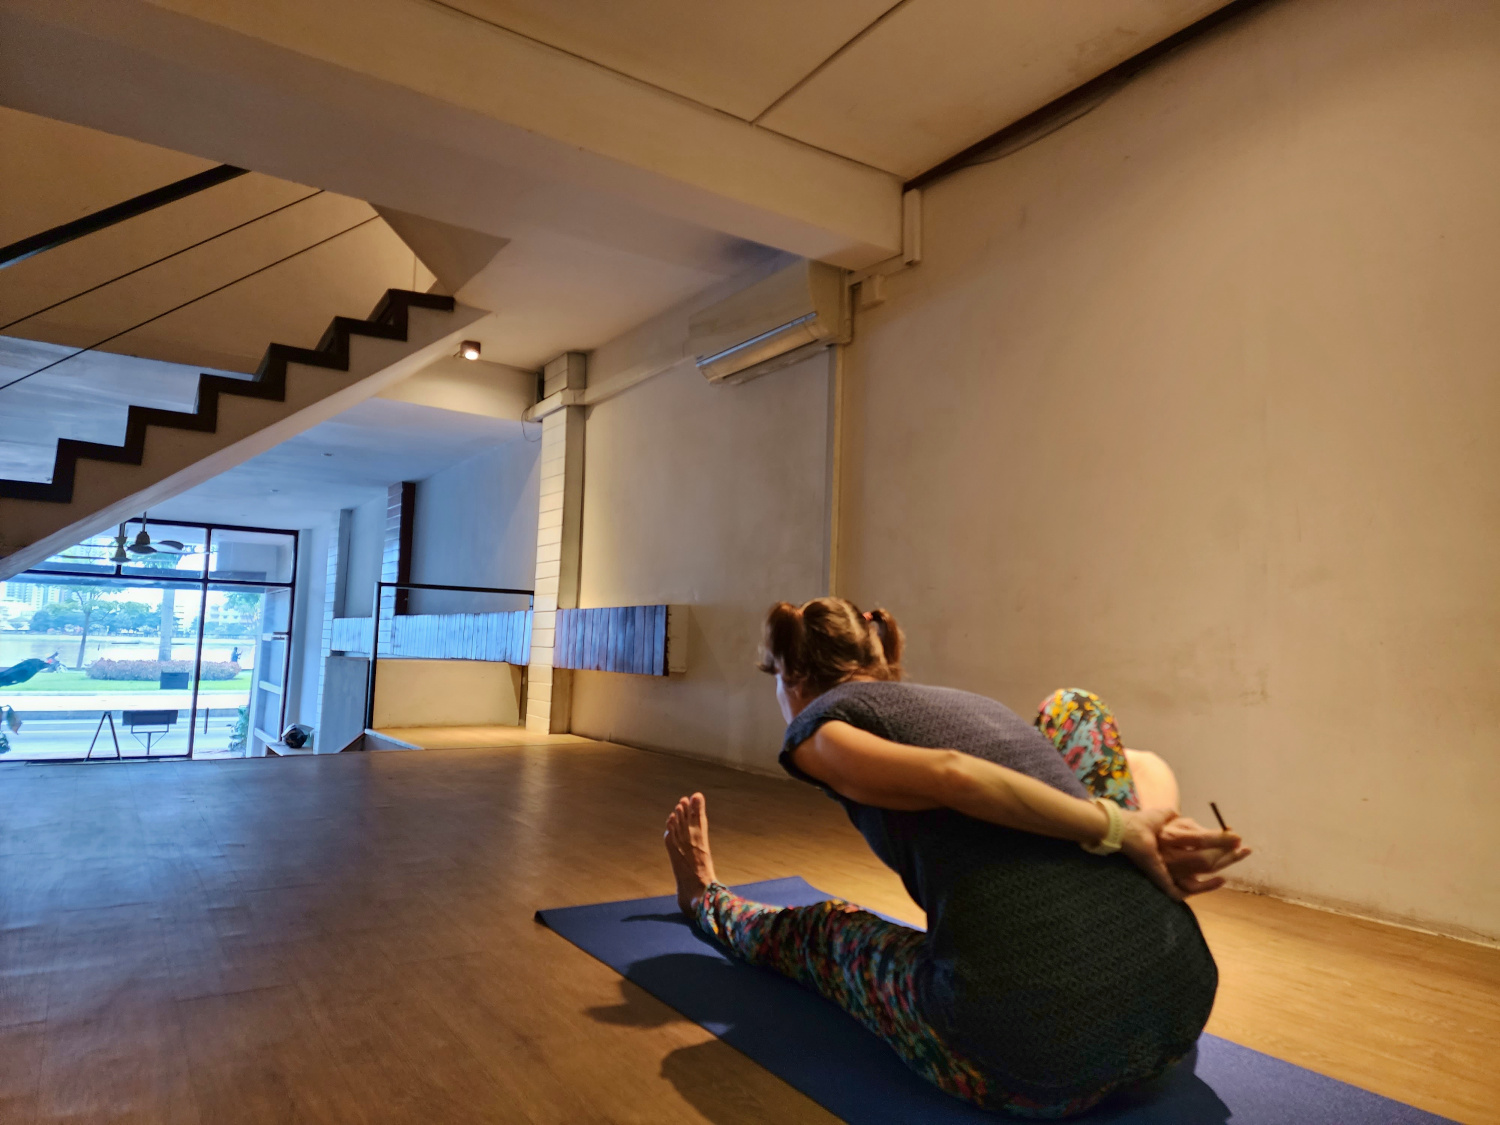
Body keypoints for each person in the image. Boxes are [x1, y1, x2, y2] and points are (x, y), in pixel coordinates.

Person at [663, 597, 1250, 1118]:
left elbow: (953, 775)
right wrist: (1149, 829)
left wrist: (1118, 828)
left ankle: (706, 900)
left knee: (824, 931)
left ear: (791, 676)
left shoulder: (819, 726)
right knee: (1073, 708)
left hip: (1022, 1067)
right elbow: (1143, 764)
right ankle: (1146, 878)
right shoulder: (971, 704)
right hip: (1178, 1010)